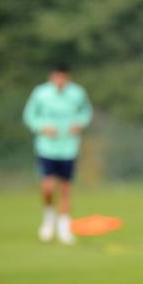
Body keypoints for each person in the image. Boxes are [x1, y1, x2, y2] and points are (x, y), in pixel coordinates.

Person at [23, 63, 93, 245]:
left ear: (67, 77)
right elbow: (29, 115)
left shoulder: (77, 93)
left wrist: (80, 123)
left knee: (65, 189)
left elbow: (86, 112)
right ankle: (48, 219)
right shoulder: (40, 93)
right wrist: (41, 127)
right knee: (47, 187)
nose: (60, 81)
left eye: (63, 77)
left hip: (69, 148)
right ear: (51, 77)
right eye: (57, 77)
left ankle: (64, 227)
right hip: (47, 147)